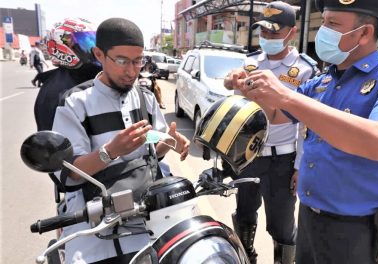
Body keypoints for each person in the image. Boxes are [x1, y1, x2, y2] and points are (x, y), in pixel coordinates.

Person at [225, 0, 378, 263]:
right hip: (309, 216)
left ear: (364, 33)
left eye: (332, 24)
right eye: (323, 23)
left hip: (356, 229)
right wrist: (248, 88)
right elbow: (277, 116)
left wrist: (285, 96)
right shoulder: (323, 83)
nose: (323, 32)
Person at [51, 18, 190, 264]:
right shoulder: (75, 103)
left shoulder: (145, 98)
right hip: (96, 227)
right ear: (99, 55)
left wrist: (170, 141)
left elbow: (153, 149)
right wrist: (109, 152)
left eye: (138, 61)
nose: (132, 70)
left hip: (148, 218)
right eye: (122, 61)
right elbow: (71, 174)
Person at [223, 2, 318, 263]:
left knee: (282, 226)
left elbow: (306, 126)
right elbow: (240, 111)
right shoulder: (250, 62)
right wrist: (231, 82)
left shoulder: (305, 69)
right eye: (263, 33)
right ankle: (247, 257)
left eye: (274, 34)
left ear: (292, 32)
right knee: (244, 215)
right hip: (249, 156)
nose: (266, 39)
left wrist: (300, 166)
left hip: (283, 162)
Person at [34, 18, 102, 132]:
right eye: (85, 42)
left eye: (92, 41)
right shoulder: (56, 92)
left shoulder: (86, 76)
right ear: (63, 46)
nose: (93, 49)